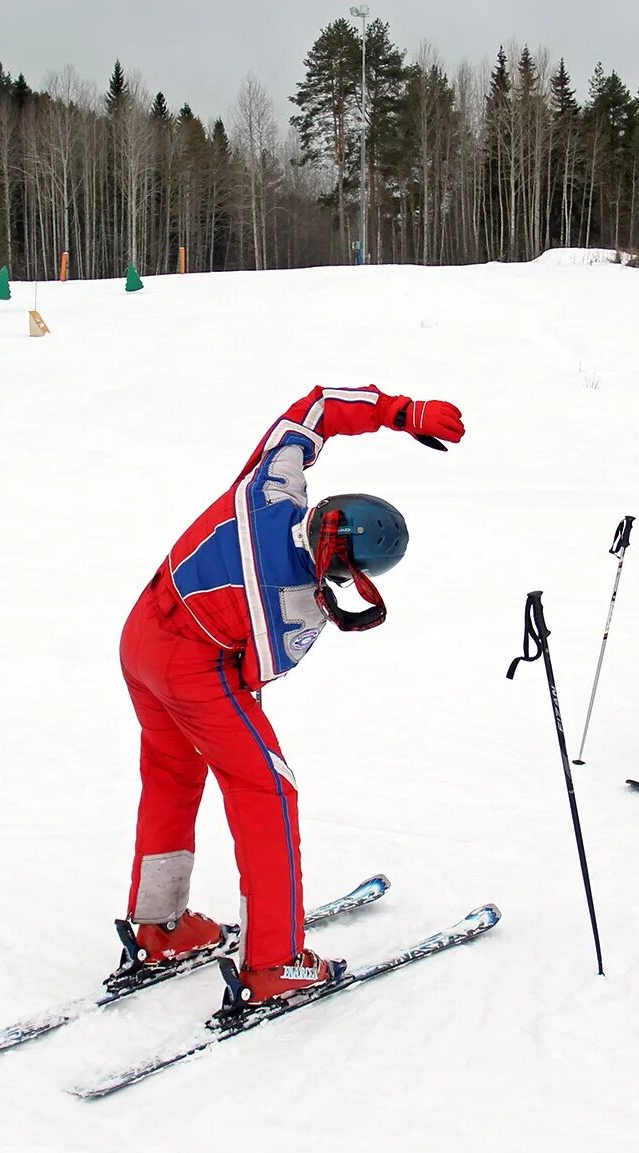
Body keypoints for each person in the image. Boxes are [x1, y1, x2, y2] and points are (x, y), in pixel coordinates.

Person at [114, 385, 465, 1006]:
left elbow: (320, 405)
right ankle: (275, 962)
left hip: (140, 633)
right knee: (266, 788)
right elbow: (250, 676)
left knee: (171, 772)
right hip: (195, 666)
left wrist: (400, 413)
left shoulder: (269, 488)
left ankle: (160, 926)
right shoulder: (296, 614)